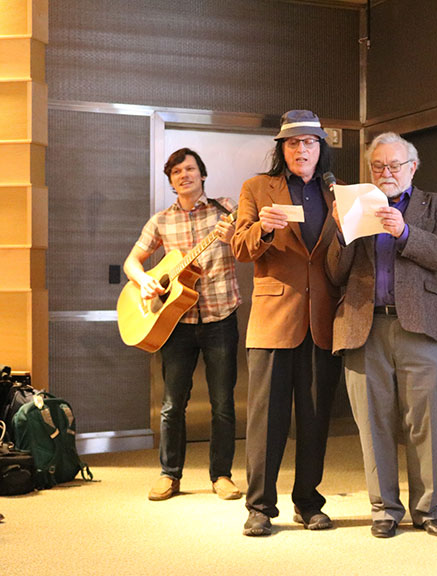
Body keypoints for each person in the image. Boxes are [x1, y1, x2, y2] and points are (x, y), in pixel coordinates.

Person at [326, 132, 437, 539]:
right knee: (373, 422)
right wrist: (341, 229)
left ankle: (427, 509)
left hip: (421, 326)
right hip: (364, 326)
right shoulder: (354, 206)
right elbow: (335, 272)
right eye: (378, 166)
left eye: (394, 165)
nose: (386, 173)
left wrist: (405, 233)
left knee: (424, 422)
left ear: (412, 168)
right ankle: (384, 509)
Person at [231, 110, 342, 537]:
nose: (302, 150)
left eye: (309, 142)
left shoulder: (335, 191)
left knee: (315, 419)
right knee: (267, 420)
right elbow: (240, 247)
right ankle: (260, 506)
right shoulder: (258, 188)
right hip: (274, 320)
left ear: (320, 147)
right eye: (293, 144)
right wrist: (262, 227)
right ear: (282, 149)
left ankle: (309, 502)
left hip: (322, 320)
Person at [123, 148, 241, 502]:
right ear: (171, 180)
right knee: (173, 403)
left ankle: (221, 475)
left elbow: (251, 247)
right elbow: (132, 260)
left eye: (190, 169)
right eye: (176, 171)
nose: (183, 175)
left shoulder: (227, 209)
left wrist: (231, 237)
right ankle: (169, 474)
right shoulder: (160, 220)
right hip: (176, 322)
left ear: (202, 175)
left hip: (221, 315)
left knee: (222, 402)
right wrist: (143, 280)